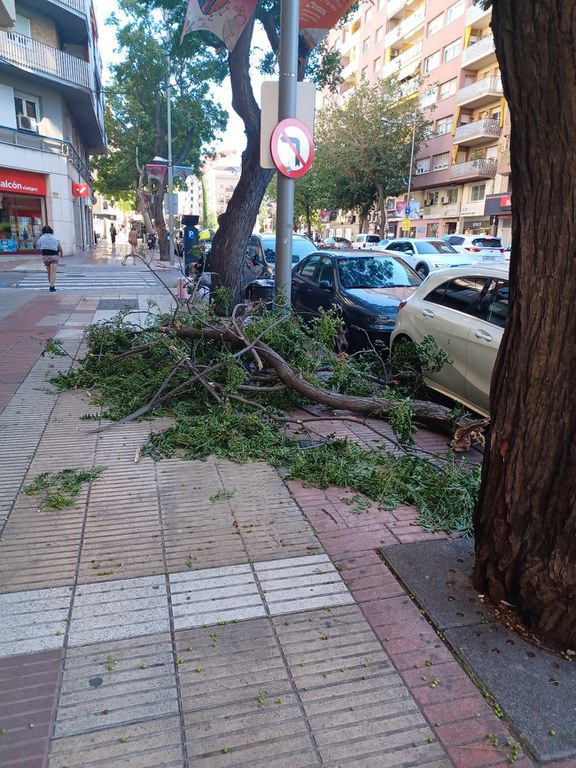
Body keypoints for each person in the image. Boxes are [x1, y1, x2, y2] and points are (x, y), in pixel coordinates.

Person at [36, 225, 63, 292]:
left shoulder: (41, 238)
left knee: (49, 272)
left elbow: (37, 246)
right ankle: (52, 286)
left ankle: (51, 284)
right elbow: (60, 248)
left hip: (45, 256)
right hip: (54, 255)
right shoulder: (55, 238)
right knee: (53, 272)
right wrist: (61, 254)